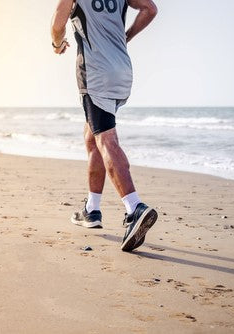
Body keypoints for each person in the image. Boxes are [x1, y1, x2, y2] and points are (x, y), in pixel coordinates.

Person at [51, 0, 158, 252]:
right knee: (92, 137)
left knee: (105, 139)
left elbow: (57, 25)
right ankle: (92, 209)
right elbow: (150, 9)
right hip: (122, 71)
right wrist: (126, 37)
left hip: (96, 72)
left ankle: (134, 208)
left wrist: (57, 45)